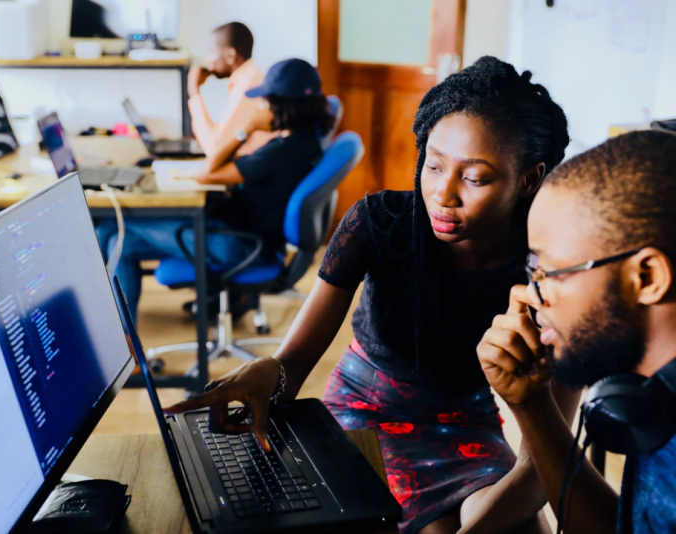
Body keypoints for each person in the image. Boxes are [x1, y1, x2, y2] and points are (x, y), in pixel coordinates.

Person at [166, 56, 576, 534]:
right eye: (434, 165)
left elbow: (545, 464)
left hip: (464, 429)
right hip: (362, 414)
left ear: (529, 178)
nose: (443, 194)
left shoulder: (552, 274)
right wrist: (270, 374)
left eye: (474, 177)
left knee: (521, 528)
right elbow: (293, 363)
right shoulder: (380, 224)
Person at [477, 130, 676, 534]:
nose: (527, 295)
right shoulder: (649, 394)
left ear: (647, 277)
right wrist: (531, 405)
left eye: (551, 272)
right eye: (533, 270)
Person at [100, 58, 334, 323]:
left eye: (265, 101)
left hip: (237, 246)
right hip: (247, 237)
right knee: (118, 241)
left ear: (281, 106)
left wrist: (244, 130)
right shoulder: (307, 142)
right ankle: (125, 340)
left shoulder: (280, 153)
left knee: (115, 231)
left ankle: (117, 338)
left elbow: (206, 173)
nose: (259, 106)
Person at [188, 21, 274, 159]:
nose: (208, 60)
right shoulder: (248, 78)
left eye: (211, 52)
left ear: (230, 56)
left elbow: (215, 149)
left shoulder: (248, 87)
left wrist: (194, 92)